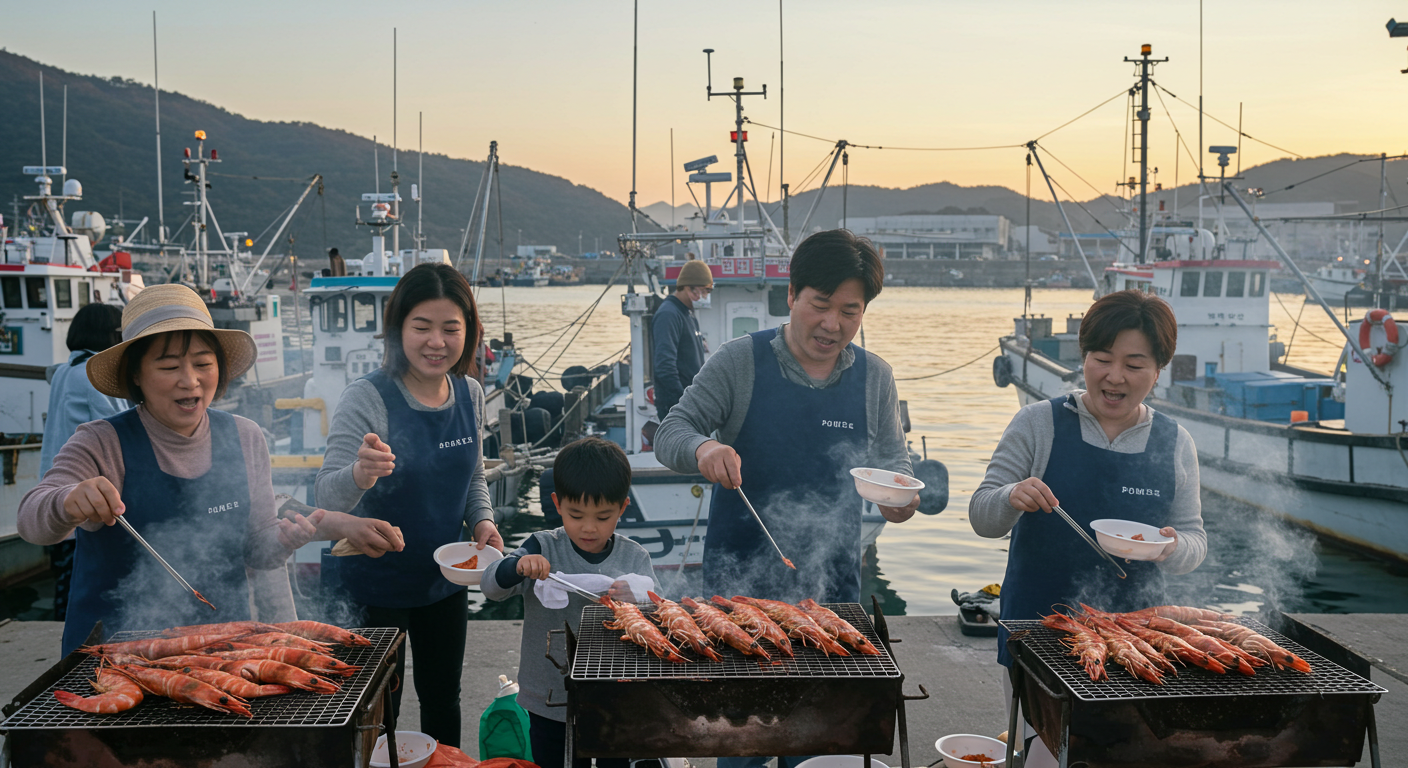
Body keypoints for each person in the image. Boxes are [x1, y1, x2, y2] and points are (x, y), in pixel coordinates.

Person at [969, 289, 1207, 768]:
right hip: (1037, 633)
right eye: (1102, 358)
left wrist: (1170, 547)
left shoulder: (1175, 442)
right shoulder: (1038, 423)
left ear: (1158, 370)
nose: (1114, 376)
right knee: (1044, 758)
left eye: (1135, 364)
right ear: (1085, 358)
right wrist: (1012, 496)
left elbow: (1194, 540)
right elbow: (981, 514)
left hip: (1139, 642)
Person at [17, 284, 323, 656]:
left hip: (222, 652)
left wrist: (285, 541)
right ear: (135, 375)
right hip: (115, 654)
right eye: (168, 365)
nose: (189, 380)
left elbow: (257, 550)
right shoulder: (101, 441)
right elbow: (32, 520)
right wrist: (67, 501)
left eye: (202, 363)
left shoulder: (245, 436)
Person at [655, 228, 919, 605]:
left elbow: (894, 462)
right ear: (792, 294)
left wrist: (899, 500)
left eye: (849, 311)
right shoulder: (739, 360)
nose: (833, 324)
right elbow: (671, 432)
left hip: (833, 591)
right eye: (821, 304)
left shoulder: (875, 376)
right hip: (737, 589)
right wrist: (705, 448)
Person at [315, 262, 504, 749]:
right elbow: (326, 495)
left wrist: (482, 520)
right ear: (398, 328)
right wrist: (360, 473)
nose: (436, 341)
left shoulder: (470, 392)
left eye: (450, 328)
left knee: (444, 698)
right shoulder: (368, 397)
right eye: (422, 327)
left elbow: (473, 476)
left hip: (445, 580)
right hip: (372, 587)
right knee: (377, 710)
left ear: (469, 332)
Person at [481, 436, 657, 768]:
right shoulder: (541, 547)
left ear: (622, 508)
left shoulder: (635, 557)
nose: (588, 528)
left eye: (603, 517)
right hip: (549, 698)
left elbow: (661, 612)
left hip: (615, 695)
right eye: (576, 515)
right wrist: (516, 566)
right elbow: (491, 585)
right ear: (557, 504)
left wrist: (641, 598)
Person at [39, 303, 128, 623]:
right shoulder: (94, 376)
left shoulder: (65, 371)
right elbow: (122, 430)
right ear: (110, 336)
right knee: (85, 584)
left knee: (64, 583)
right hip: (86, 497)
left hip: (56, 492)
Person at [651, 257, 712, 420]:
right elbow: (665, 367)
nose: (705, 296)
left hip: (690, 403)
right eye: (703, 291)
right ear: (688, 288)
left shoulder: (688, 313)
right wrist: (682, 403)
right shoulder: (669, 315)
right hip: (677, 407)